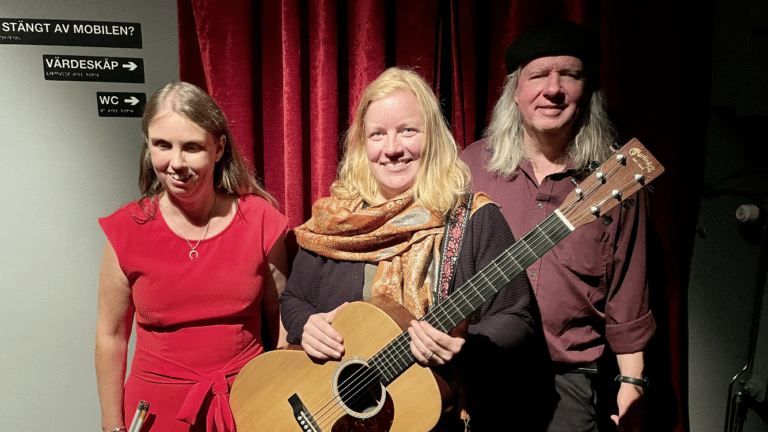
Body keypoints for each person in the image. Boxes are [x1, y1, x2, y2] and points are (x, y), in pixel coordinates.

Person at [279, 67, 548, 431]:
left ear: (433, 136)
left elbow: (518, 320)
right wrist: (306, 326)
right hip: (338, 417)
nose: (392, 149)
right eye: (378, 134)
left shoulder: (474, 219)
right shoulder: (337, 221)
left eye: (408, 130)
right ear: (362, 144)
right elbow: (293, 299)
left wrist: (464, 347)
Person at [461, 20, 655, 432]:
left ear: (587, 92)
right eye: (538, 76)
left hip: (571, 382)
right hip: (476, 374)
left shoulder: (616, 181)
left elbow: (628, 293)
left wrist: (633, 382)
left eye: (569, 75)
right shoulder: (470, 168)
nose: (553, 89)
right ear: (515, 91)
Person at [95, 82, 289, 432]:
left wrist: (280, 400)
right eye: (162, 145)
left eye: (193, 147)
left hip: (247, 405)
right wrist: (112, 426)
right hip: (154, 413)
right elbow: (111, 335)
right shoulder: (125, 230)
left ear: (219, 148)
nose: (176, 163)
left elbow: (281, 321)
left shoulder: (261, 221)